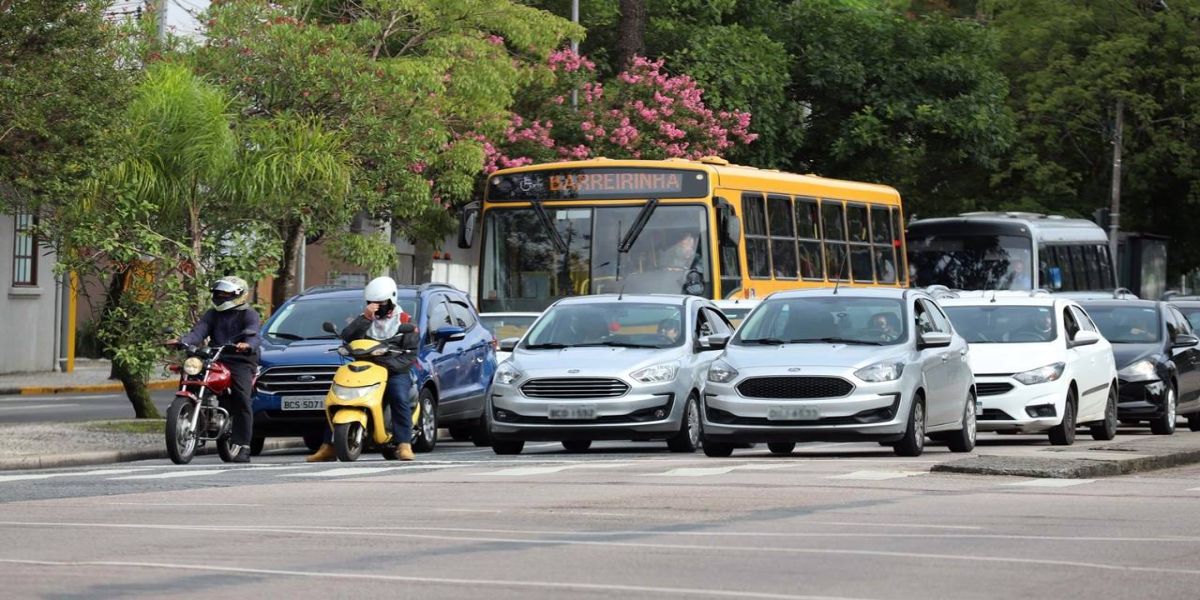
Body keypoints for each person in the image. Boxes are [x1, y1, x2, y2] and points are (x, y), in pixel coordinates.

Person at [308, 276, 419, 462]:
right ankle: (328, 446)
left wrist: (387, 364)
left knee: (398, 395)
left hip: (394, 370)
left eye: (380, 303)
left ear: (391, 300)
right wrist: (366, 318)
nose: (375, 307)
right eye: (371, 303)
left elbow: (410, 355)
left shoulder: (405, 320)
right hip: (365, 367)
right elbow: (348, 337)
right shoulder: (364, 318)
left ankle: (404, 444)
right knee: (338, 395)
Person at [167, 276, 260, 463]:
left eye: (225, 294)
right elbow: (199, 331)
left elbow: (254, 334)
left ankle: (243, 445)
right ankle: (192, 416)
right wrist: (183, 341)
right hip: (216, 357)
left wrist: (247, 345)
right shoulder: (212, 314)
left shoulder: (249, 314)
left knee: (242, 398)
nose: (220, 297)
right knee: (192, 377)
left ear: (239, 295)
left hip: (241, 360)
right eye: (218, 293)